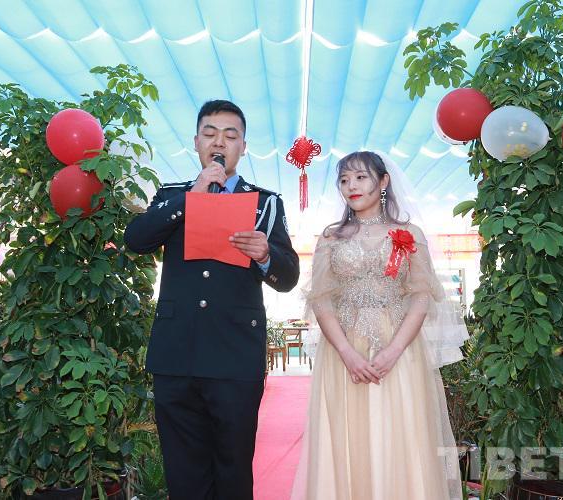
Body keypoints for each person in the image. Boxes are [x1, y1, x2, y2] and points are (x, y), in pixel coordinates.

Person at [124, 99, 300, 500]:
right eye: (210, 133)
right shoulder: (171, 195)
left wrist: (265, 255)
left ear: (243, 147)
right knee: (183, 472)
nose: (219, 142)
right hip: (176, 354)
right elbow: (136, 239)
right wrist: (193, 196)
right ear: (196, 143)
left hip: (235, 355)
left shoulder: (266, 202)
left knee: (233, 469)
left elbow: (288, 277)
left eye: (230, 135)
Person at [291, 151, 467, 500]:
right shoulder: (330, 237)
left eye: (361, 177)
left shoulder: (409, 233)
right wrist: (346, 352)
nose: (351, 186)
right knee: (347, 435)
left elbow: (421, 297)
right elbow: (321, 300)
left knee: (400, 432)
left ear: (383, 181)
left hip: (400, 349)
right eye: (344, 180)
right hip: (343, 350)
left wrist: (394, 350)